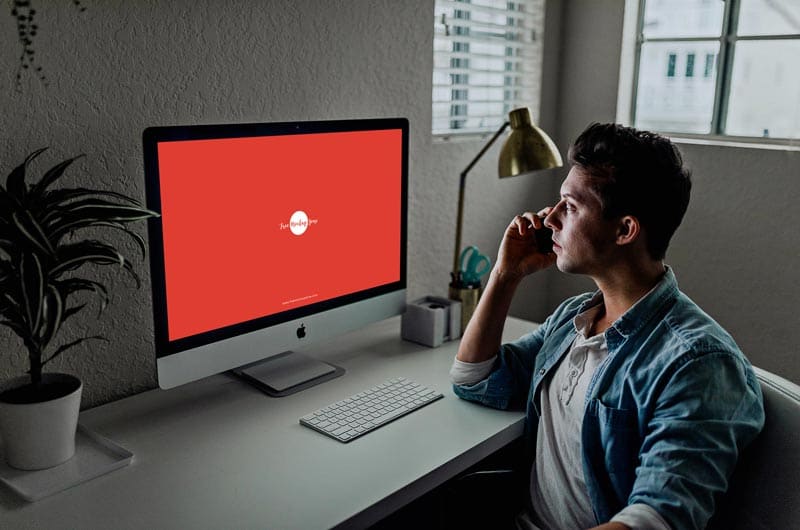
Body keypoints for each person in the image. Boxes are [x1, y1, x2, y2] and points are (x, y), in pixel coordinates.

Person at [449, 123, 765, 530]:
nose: (550, 219)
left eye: (570, 206)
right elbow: (475, 378)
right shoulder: (574, 318)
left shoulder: (697, 364)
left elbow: (657, 518)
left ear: (625, 230)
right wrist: (506, 274)